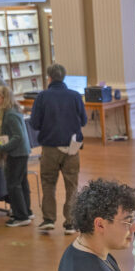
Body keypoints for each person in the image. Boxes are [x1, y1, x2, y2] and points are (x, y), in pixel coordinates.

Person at [30, 63, 87, 234]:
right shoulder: (75, 96)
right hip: (72, 148)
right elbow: (83, 121)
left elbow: (34, 123)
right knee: (72, 185)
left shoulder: (42, 97)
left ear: (49, 77)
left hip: (50, 148)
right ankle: (70, 222)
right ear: (64, 77)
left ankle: (49, 219)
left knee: (48, 183)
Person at [0, 85, 32, 227]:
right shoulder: (10, 111)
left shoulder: (10, 114)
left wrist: (2, 147)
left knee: (14, 184)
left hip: (17, 153)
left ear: (4, 98)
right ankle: (26, 211)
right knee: (21, 183)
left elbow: (17, 137)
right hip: (20, 152)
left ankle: (21, 216)